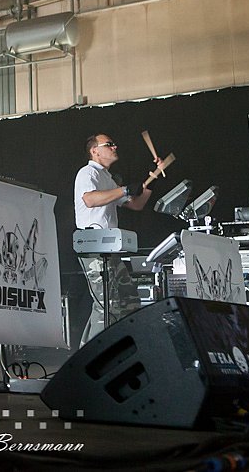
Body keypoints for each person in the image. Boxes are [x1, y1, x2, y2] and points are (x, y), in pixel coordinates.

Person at [74, 133, 163, 344]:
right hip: (93, 247)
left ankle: (120, 347)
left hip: (109, 247)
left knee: (129, 299)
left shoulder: (107, 178)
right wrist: (123, 189)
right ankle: (93, 353)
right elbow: (89, 199)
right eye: (109, 144)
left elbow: (135, 204)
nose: (115, 147)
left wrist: (153, 178)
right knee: (106, 303)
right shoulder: (87, 172)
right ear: (94, 150)